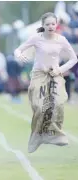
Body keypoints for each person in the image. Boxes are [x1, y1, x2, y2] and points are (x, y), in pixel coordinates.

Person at [14, 12, 78, 153]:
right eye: (47, 24)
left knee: (59, 102)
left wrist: (60, 70)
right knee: (39, 105)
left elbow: (74, 59)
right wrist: (19, 55)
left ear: (56, 25)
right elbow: (18, 50)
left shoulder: (61, 40)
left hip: (55, 75)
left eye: (53, 24)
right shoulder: (36, 38)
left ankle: (55, 134)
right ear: (42, 26)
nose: (50, 26)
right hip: (38, 75)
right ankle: (37, 135)